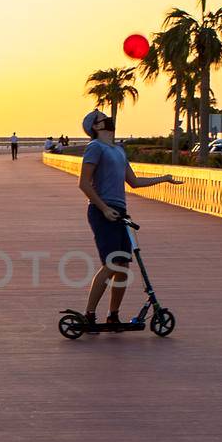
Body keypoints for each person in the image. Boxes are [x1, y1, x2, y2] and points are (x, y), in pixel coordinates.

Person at [78, 109, 182, 328]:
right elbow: (84, 183)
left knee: (123, 265)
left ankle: (113, 315)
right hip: (102, 211)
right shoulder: (95, 148)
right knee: (111, 263)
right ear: (96, 127)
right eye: (102, 118)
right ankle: (89, 313)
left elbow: (133, 182)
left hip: (119, 211)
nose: (108, 119)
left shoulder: (118, 150)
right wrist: (104, 208)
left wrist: (163, 179)